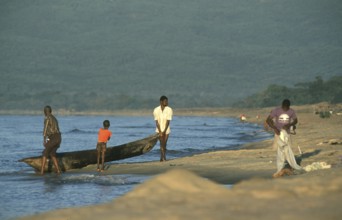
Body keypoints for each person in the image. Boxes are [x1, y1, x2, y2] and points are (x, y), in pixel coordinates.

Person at [266, 99, 303, 178]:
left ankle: (291, 165)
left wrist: (289, 125)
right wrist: (275, 128)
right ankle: (280, 168)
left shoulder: (291, 111)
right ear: (282, 105)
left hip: (287, 133)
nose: (285, 109)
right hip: (278, 133)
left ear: (289, 107)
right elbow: (268, 120)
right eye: (284, 107)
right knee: (280, 151)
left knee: (288, 149)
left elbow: (295, 120)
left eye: (287, 108)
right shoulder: (276, 110)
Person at [41, 105, 62, 175]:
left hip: (53, 138)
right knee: (52, 154)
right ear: (50, 111)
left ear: (45, 112)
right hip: (58, 138)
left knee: (44, 153)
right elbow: (57, 129)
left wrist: (44, 140)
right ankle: (58, 170)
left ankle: (42, 172)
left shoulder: (47, 118)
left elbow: (45, 129)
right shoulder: (55, 118)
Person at [153, 96, 173, 162]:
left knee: (164, 143)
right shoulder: (156, 110)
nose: (167, 102)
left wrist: (164, 131)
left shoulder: (169, 109)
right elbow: (157, 122)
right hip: (159, 130)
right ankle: (163, 158)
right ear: (161, 102)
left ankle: (163, 158)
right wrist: (160, 131)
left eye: (167, 101)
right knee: (161, 143)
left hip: (166, 130)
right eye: (165, 101)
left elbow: (168, 122)